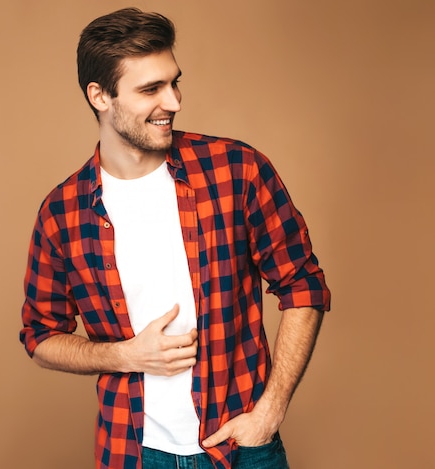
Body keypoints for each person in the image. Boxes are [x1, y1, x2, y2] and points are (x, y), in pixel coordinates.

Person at [19, 7, 330, 469]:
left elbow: (303, 284)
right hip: (133, 451)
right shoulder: (62, 213)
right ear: (100, 96)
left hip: (243, 445)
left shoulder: (236, 170)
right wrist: (125, 355)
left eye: (173, 81)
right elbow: (40, 336)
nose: (175, 101)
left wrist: (272, 408)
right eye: (151, 89)